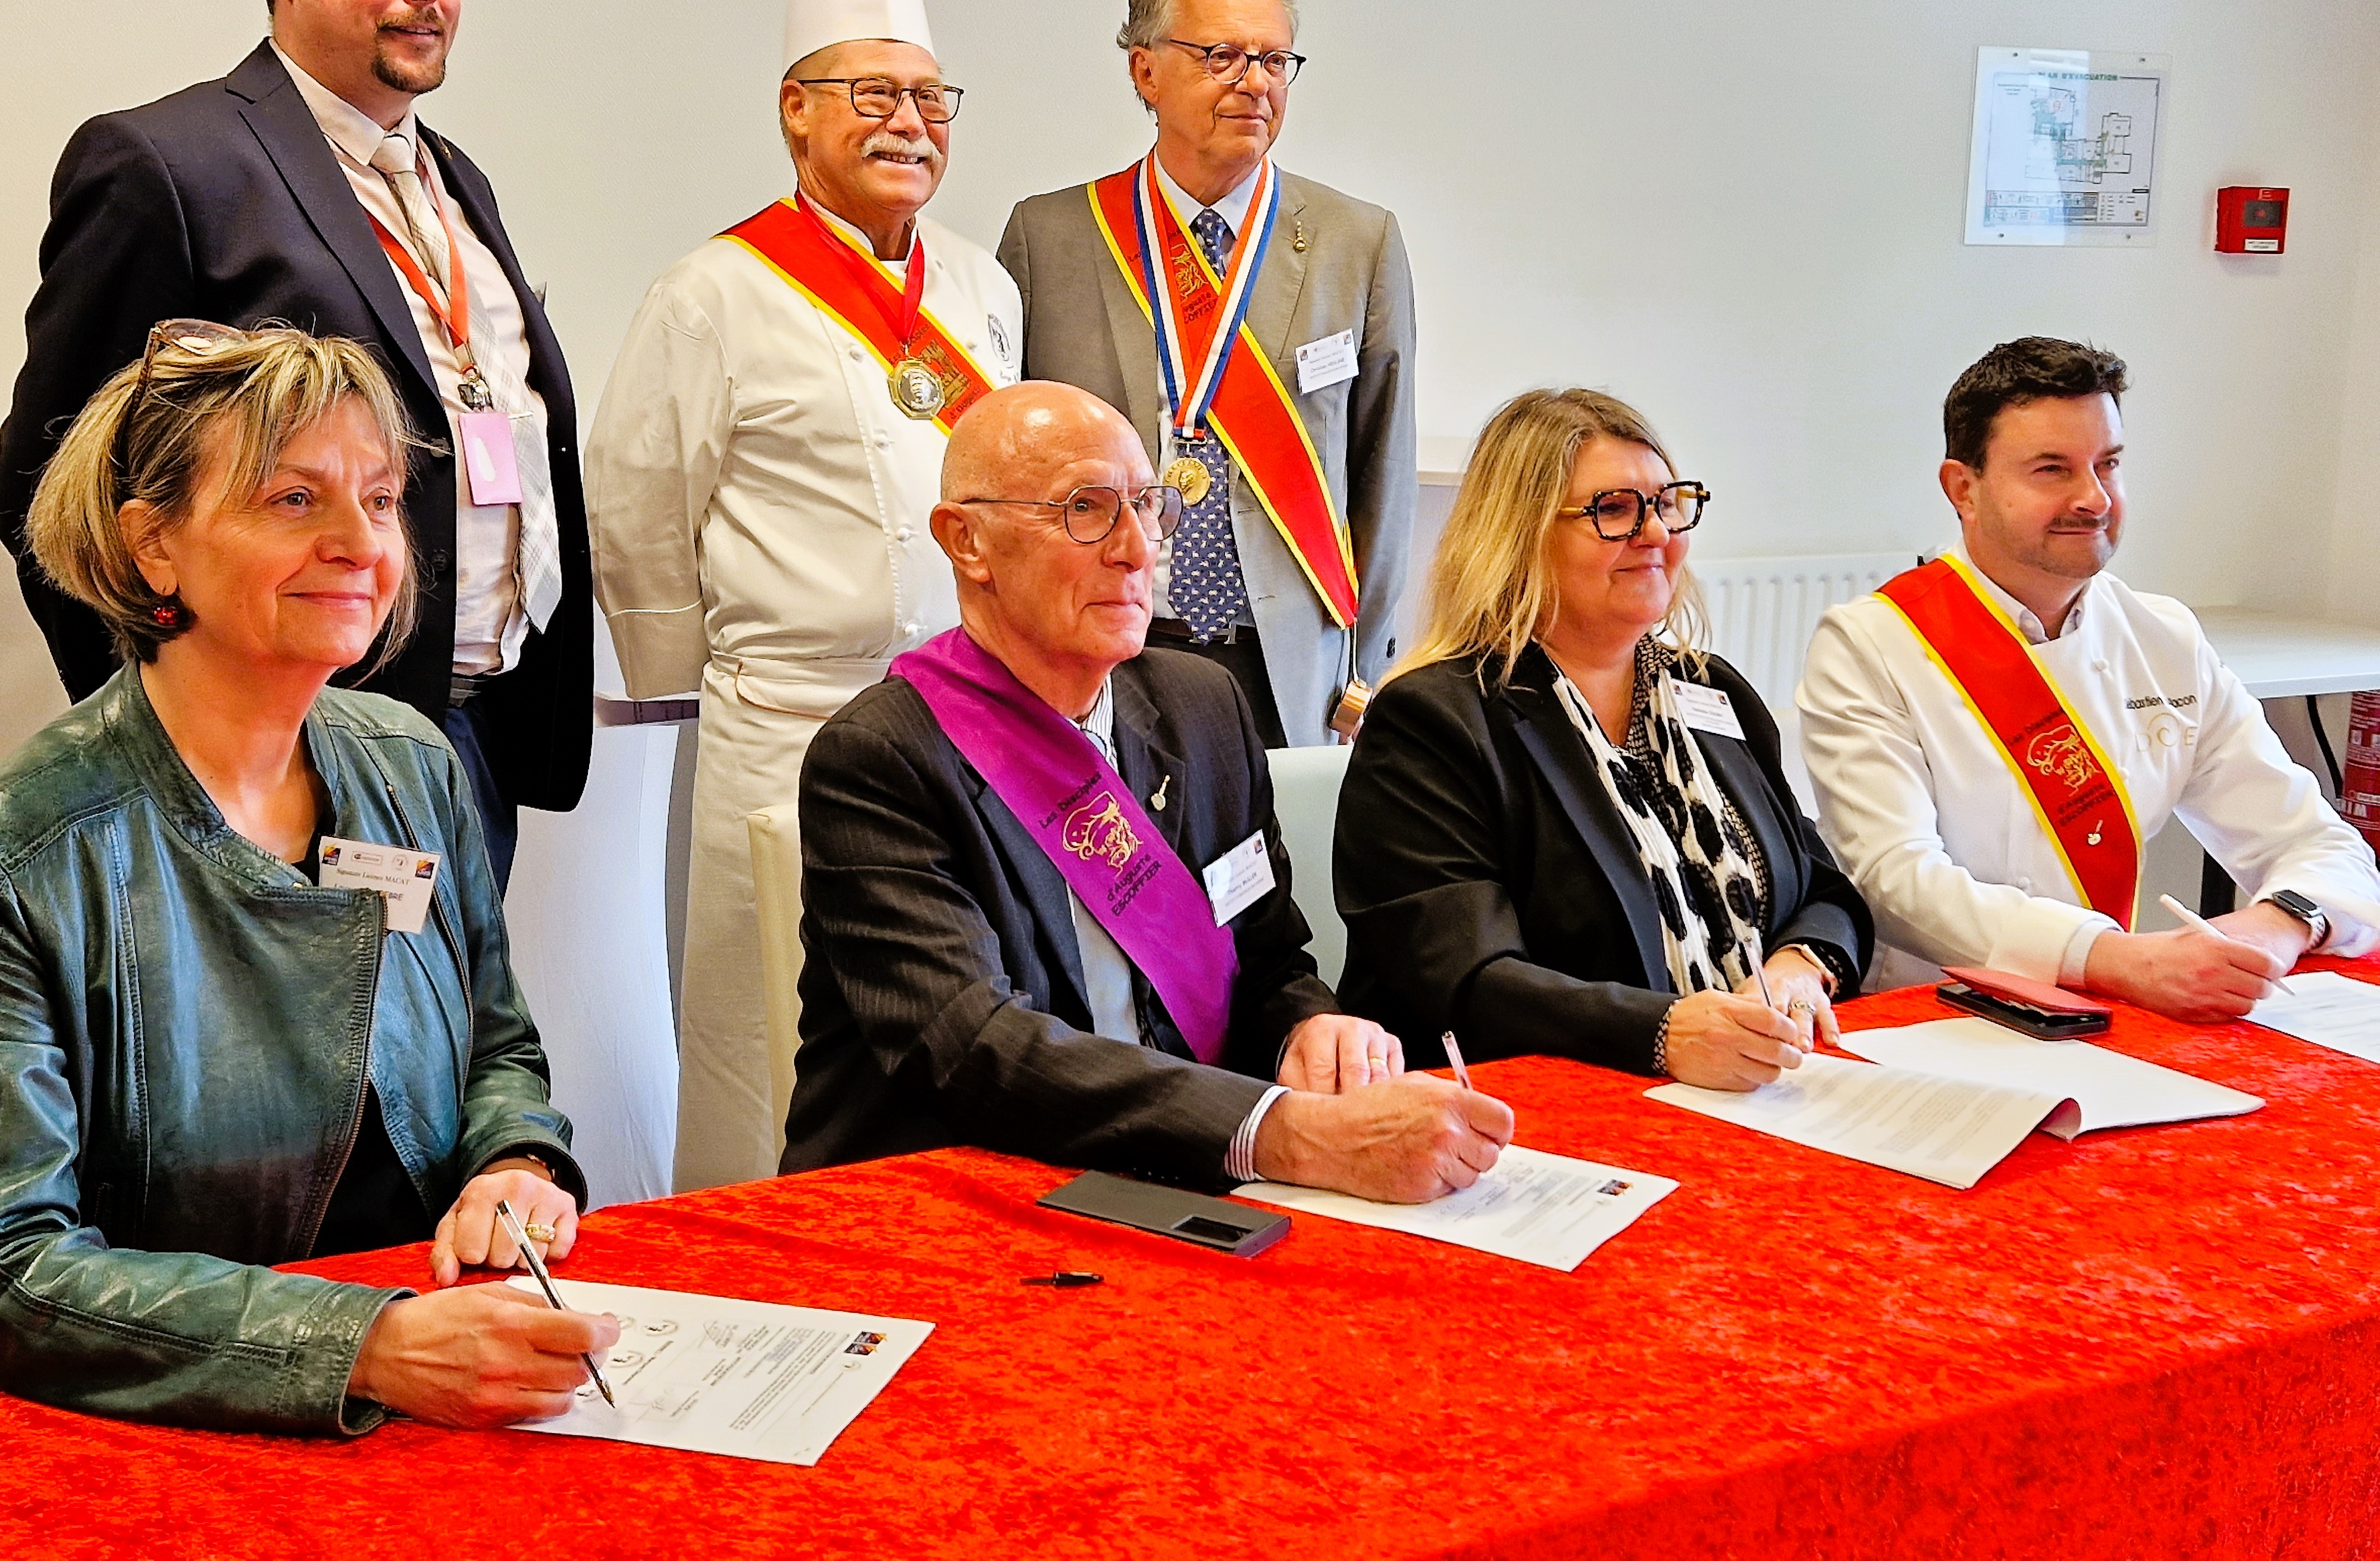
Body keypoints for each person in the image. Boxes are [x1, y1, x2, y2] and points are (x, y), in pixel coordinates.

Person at [0, 325, 610, 1433]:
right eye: (293, 500)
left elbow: (496, 1050)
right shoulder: (36, 853)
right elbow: (17, 1272)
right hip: (179, 1417)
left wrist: (515, 1160)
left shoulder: (412, 763)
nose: (360, 544)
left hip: (450, 1368)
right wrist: (364, 1346)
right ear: (153, 548)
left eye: (380, 501)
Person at [0, 0, 589, 891]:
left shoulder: (454, 179)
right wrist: (163, 738)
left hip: (463, 741)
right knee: (287, 1056)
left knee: (435, 1048)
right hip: (274, 748)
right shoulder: (169, 164)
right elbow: (53, 475)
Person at [781, 383, 1511, 1198]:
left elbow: (1266, 960)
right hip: (957, 1195)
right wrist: (1284, 1132)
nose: (1138, 549)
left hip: (1183, 1175)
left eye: (1149, 506)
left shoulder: (1202, 707)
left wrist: (1310, 1029)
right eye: (1087, 509)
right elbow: (976, 1051)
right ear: (968, 543)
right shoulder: (880, 758)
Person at [586, 0, 1020, 1192]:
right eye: (873, 95)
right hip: (786, 727)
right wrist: (687, 679)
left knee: (959, 1036)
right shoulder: (713, 290)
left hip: (962, 729)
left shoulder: (984, 291)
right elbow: (638, 503)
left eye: (930, 98)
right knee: (770, 1043)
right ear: (795, 113)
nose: (911, 124)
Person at [1797, 337, 2380, 1014]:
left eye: (2108, 464)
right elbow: (1895, 881)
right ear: (1964, 488)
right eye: (2052, 470)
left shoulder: (2163, 637)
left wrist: (2274, 925)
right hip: (1934, 1016)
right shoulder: (1871, 643)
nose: (2094, 498)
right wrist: (2118, 960)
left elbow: (2314, 841)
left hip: (2112, 1016)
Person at [1335, 388, 1871, 1083]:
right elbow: (1463, 979)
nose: (1655, 535)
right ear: (1518, 534)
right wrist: (1665, 1033)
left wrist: (1800, 965)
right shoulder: (1434, 720)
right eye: (1614, 510)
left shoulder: (1711, 691)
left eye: (1668, 504)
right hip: (1547, 1105)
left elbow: (1826, 891)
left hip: (1760, 1083)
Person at [998, 0, 1414, 748]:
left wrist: (1368, 666)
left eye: (1275, 59)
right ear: (1144, 71)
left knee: (1276, 875)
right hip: (1105, 649)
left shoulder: (1355, 242)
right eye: (1223, 55)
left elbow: (1381, 473)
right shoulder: (1048, 239)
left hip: (1292, 665)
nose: (1255, 81)